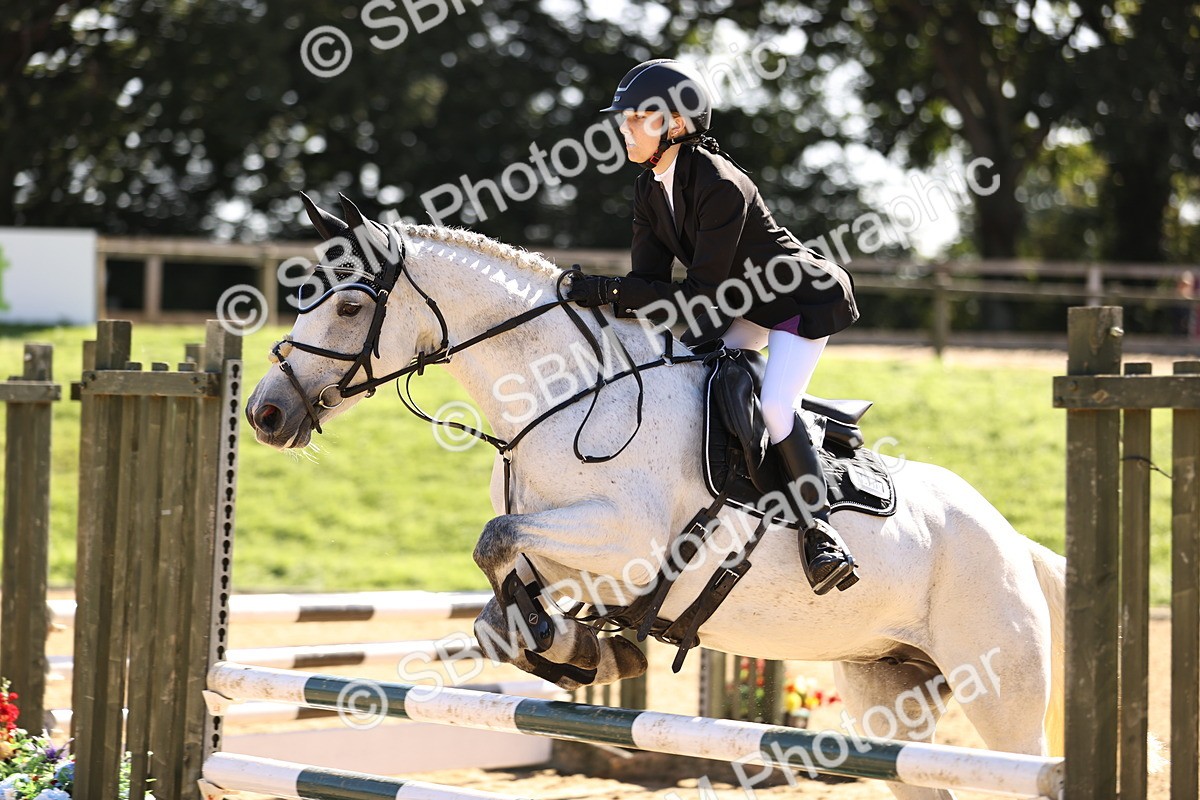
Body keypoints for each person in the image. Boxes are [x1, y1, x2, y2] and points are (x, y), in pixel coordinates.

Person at [566, 59, 861, 595]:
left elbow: (698, 297)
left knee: (774, 404)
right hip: (739, 302)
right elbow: (649, 282)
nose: (623, 128)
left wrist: (610, 292)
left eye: (636, 118)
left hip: (797, 300)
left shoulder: (720, 183)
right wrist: (605, 303)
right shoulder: (648, 188)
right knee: (696, 376)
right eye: (624, 118)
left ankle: (820, 532)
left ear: (674, 124)